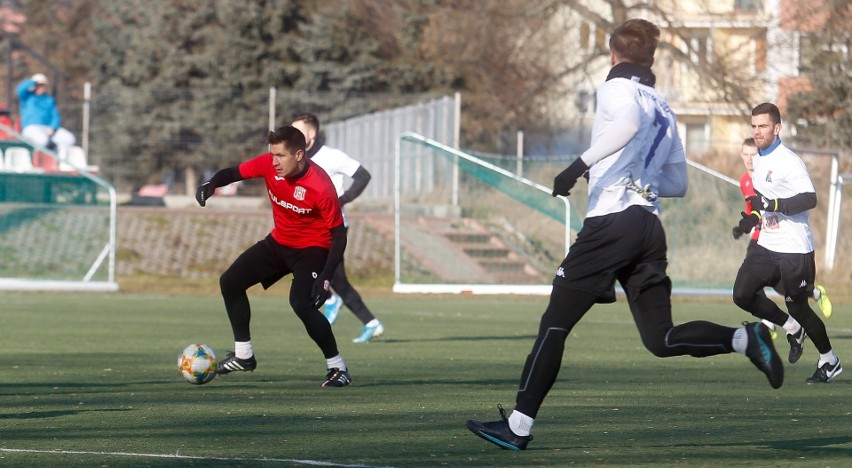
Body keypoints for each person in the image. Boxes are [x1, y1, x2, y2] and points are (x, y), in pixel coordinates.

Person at [465, 19, 784, 451]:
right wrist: (641, 185)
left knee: (554, 326)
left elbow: (628, 124)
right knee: (661, 338)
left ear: (614, 55)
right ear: (650, 59)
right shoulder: (666, 108)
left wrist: (577, 167)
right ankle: (744, 338)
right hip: (648, 228)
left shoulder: (616, 90)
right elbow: (678, 183)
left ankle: (518, 426)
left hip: (611, 224)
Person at [195, 125, 352, 387]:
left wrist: (325, 277)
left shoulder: (321, 186)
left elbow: (339, 235)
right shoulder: (269, 165)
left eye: (281, 156)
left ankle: (338, 368)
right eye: (272, 154)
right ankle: (244, 355)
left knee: (301, 304)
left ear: (299, 154)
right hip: (279, 243)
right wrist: (212, 185)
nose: (274, 161)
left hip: (313, 249)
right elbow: (232, 173)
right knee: (230, 282)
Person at [731, 103, 842, 384]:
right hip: (766, 245)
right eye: (754, 126)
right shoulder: (758, 159)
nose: (757, 131)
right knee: (742, 294)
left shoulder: (789, 161)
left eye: (763, 126)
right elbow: (761, 201)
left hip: (795, 249)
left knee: (799, 307)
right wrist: (751, 218)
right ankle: (792, 328)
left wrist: (773, 204)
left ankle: (829, 360)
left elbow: (809, 198)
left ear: (777, 128)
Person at [291, 112, 385, 343]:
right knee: (337, 279)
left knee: (314, 269)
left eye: (299, 131)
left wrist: (342, 199)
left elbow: (363, 175)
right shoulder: (298, 158)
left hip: (333, 226)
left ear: (311, 133)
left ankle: (333, 302)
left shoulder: (331, 156)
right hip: (311, 226)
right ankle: (371, 323)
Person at [732, 138, 833, 343]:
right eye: (746, 154)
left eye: (753, 154)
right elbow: (756, 209)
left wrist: (771, 206)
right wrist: (747, 224)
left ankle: (781, 319)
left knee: (787, 297)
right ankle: (781, 318)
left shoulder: (776, 168)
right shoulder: (745, 180)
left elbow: (803, 199)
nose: (750, 159)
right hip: (761, 235)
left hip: (782, 240)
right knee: (750, 286)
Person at [16, 73, 76, 162]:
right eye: (39, 85)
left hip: (48, 129)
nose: (41, 87)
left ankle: (62, 163)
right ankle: (38, 163)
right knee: (42, 140)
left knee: (68, 138)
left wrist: (53, 128)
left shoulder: (49, 99)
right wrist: (34, 81)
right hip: (31, 129)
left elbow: (55, 116)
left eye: (43, 85)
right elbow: (20, 89)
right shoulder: (27, 97)